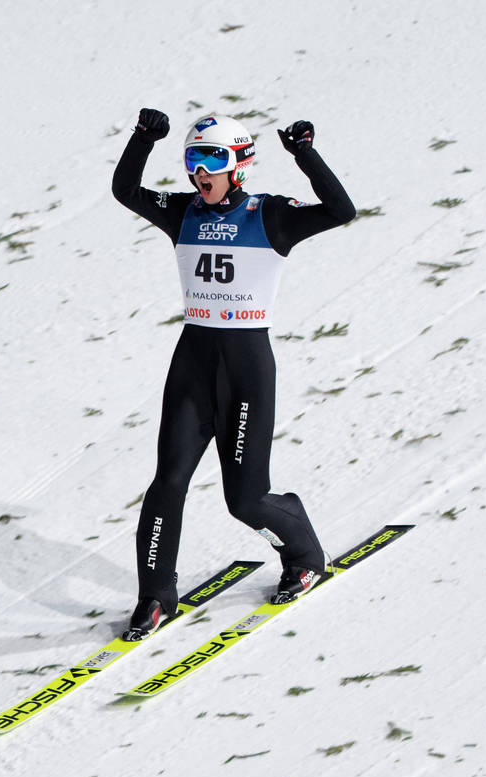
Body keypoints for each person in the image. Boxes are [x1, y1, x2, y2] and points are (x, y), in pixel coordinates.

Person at [111, 108, 356, 641]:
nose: (200, 172)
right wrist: (143, 138)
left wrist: (305, 154)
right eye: (193, 159)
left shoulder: (270, 216)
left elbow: (341, 211)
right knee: (166, 485)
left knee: (245, 501)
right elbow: (126, 190)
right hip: (194, 364)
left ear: (239, 163)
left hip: (247, 370)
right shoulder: (182, 213)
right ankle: (155, 595)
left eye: (212, 159)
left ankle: (302, 552)